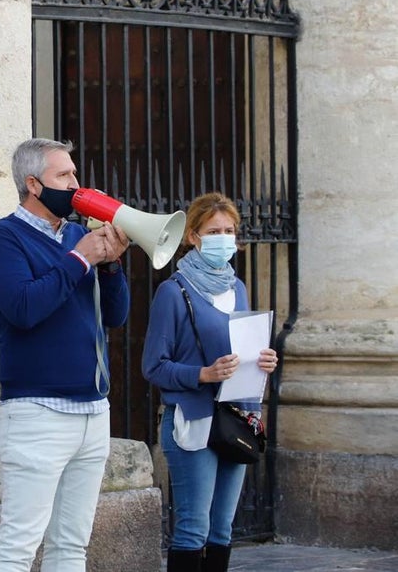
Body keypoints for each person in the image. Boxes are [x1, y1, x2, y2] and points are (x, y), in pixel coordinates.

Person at [0, 138, 131, 572]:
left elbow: (115, 316)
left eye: (75, 173)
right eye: (64, 175)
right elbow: (24, 309)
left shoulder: (81, 234)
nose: (76, 184)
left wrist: (113, 266)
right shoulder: (2, 237)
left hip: (92, 413)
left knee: (70, 547)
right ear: (33, 185)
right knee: (17, 547)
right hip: (38, 413)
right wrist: (79, 261)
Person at [142, 192, 278, 572]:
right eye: (214, 230)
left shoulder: (237, 288)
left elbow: (244, 350)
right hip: (193, 420)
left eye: (230, 230)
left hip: (237, 418)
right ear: (193, 237)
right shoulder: (174, 291)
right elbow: (153, 366)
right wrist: (202, 374)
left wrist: (264, 359)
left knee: (222, 530)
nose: (224, 238)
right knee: (193, 528)